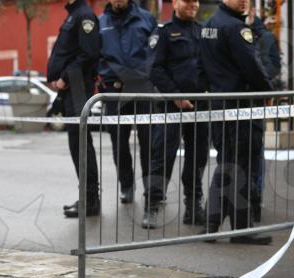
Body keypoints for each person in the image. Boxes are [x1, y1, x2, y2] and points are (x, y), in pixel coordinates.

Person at [198, 0, 274, 245]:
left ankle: (212, 224)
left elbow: (201, 68)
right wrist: (267, 91)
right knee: (242, 167)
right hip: (241, 108)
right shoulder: (235, 27)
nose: (244, 1)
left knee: (228, 164)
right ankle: (241, 229)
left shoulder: (209, 25)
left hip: (221, 107)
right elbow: (251, 66)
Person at [143, 0, 208, 229]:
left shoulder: (203, 32)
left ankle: (193, 207)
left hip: (200, 106)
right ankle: (152, 205)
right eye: (187, 1)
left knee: (198, 157)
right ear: (176, 3)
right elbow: (154, 69)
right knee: (163, 156)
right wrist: (176, 96)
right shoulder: (163, 33)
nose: (193, 5)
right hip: (171, 107)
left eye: (195, 1)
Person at [98, 0, 157, 205]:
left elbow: (154, 53)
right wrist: (121, 74)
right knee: (119, 144)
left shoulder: (147, 19)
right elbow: (98, 57)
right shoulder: (100, 22)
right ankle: (127, 186)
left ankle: (151, 189)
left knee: (149, 142)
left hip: (142, 89)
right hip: (114, 91)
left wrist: (137, 76)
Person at [48, 0, 103, 219]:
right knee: (77, 143)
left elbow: (89, 53)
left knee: (80, 143)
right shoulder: (75, 14)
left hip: (77, 84)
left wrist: (64, 77)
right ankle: (88, 198)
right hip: (72, 86)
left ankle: (90, 200)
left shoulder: (84, 15)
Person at [247, 8, 281, 224]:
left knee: (256, 152)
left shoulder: (265, 37)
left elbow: (274, 66)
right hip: (236, 102)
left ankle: (255, 198)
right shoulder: (232, 31)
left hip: (255, 102)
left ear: (252, 12)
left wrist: (255, 81)